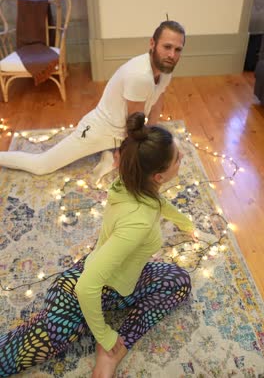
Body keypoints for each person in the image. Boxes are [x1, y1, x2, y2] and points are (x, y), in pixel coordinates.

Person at [0, 112, 195, 378]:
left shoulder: (131, 182)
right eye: (178, 159)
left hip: (113, 277)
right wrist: (103, 334)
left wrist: (185, 223)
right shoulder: (136, 222)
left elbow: (157, 203)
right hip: (78, 296)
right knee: (14, 354)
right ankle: (111, 351)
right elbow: (86, 287)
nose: (182, 158)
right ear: (159, 177)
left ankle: (114, 346)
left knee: (179, 280)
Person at [0, 21, 185, 181]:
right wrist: (124, 154)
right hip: (97, 131)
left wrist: (152, 135)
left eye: (177, 50)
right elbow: (134, 125)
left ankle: (111, 151)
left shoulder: (165, 68)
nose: (172, 55)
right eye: (167, 47)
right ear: (152, 43)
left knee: (157, 154)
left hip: (120, 133)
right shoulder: (140, 76)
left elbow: (158, 100)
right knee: (42, 166)